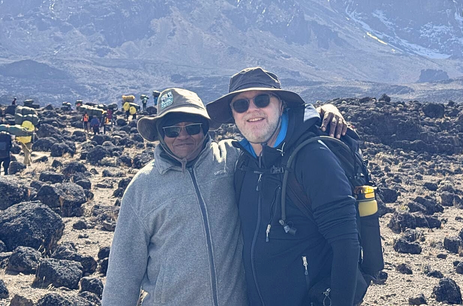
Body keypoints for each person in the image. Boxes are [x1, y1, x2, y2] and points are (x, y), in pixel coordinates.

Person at [103, 87, 347, 306]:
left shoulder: (233, 159)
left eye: (192, 128)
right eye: (172, 130)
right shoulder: (142, 187)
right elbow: (123, 271)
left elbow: (274, 135)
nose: (183, 136)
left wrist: (321, 113)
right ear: (159, 133)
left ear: (205, 128)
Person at [206, 67, 363, 306]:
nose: (252, 110)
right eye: (241, 105)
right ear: (233, 115)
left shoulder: (312, 157)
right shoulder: (243, 163)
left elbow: (346, 244)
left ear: (281, 105)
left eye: (262, 100)